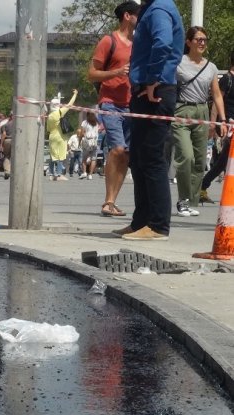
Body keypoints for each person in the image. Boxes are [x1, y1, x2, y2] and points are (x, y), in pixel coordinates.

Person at [118, 0, 183, 241]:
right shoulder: (150, 9)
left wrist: (153, 79)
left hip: (155, 90)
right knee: (139, 159)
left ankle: (157, 226)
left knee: (153, 159)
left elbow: (164, 43)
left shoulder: (159, 9)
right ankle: (141, 222)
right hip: (146, 89)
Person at [89, 1, 140, 216]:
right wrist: (116, 72)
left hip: (132, 104)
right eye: (139, 14)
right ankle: (107, 201)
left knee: (126, 154)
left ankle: (112, 202)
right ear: (127, 16)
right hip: (109, 102)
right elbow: (91, 74)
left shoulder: (138, 43)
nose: (142, 18)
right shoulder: (108, 41)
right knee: (118, 149)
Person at [172, 27, 227, 217]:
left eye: (205, 39)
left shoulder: (210, 67)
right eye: (198, 39)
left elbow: (217, 94)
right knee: (186, 156)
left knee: (199, 160)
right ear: (188, 42)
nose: (202, 43)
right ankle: (183, 200)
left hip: (202, 111)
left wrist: (222, 119)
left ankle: (191, 201)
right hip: (182, 110)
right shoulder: (178, 63)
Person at [201, 50, 234, 203]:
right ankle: (202, 186)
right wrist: (214, 124)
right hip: (228, 124)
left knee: (223, 162)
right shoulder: (227, 79)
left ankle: (203, 185)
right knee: (223, 161)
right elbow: (216, 102)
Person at [46, 89, 78, 181]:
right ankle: (59, 175)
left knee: (53, 156)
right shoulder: (59, 112)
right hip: (60, 137)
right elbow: (70, 104)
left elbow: (48, 129)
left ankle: (51, 174)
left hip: (52, 136)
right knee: (60, 156)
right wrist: (75, 94)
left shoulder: (49, 116)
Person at [80, 113, 100, 181]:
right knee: (93, 159)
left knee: (84, 158)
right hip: (94, 142)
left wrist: (80, 141)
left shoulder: (85, 122)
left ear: (87, 116)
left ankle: (84, 172)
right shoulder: (96, 123)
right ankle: (90, 175)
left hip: (87, 142)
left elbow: (82, 133)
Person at [0, 113, 15, 179]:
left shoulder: (5, 125)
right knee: (16, 157)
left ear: (9, 117)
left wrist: (1, 144)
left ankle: (7, 172)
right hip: (16, 141)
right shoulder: (19, 124)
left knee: (7, 156)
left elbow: (4, 134)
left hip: (7, 140)